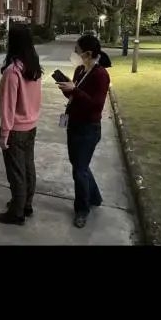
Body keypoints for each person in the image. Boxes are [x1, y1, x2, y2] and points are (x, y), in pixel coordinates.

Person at [56, 34, 112, 228]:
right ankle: (94, 196)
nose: (74, 53)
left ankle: (82, 209)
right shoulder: (80, 70)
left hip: (88, 128)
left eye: (77, 50)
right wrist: (67, 89)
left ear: (88, 53)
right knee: (80, 165)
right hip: (74, 124)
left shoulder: (100, 75)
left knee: (79, 170)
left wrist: (75, 90)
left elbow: (95, 105)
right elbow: (76, 97)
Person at [0, 24, 43, 226]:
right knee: (28, 167)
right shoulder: (33, 67)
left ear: (12, 42)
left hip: (16, 129)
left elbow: (8, 107)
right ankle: (26, 204)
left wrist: (4, 134)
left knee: (16, 173)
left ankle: (16, 213)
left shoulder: (13, 71)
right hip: (31, 126)